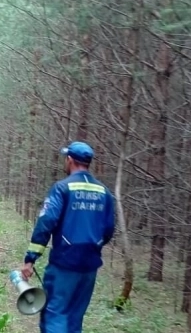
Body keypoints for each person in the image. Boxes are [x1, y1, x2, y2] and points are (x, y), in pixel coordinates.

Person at [21, 141, 116, 333]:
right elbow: (108, 230)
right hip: (90, 266)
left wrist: (31, 258)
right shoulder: (104, 192)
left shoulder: (62, 188)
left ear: (70, 160)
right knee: (75, 317)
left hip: (64, 263)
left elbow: (46, 222)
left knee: (54, 314)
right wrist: (93, 246)